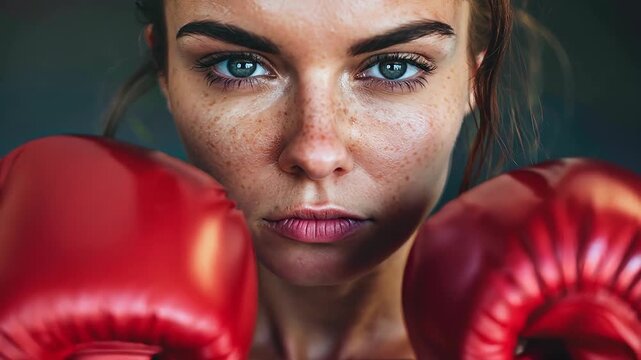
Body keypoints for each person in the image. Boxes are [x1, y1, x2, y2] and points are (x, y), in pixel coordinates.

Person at [102, 0, 541, 358]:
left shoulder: (563, 345)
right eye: (240, 67)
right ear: (167, 72)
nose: (316, 154)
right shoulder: (94, 344)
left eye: (393, 67)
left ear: (473, 80)